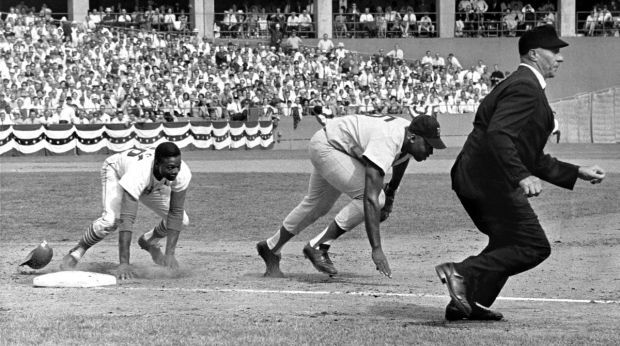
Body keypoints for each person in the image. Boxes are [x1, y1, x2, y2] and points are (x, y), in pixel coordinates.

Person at [435, 25, 606, 322]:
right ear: (534, 53)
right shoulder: (525, 85)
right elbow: (499, 135)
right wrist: (520, 176)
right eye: (555, 51)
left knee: (507, 242)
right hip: (488, 179)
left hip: (477, 176)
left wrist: (577, 171)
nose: (560, 58)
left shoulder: (524, 84)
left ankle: (468, 301)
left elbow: (531, 155)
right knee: (533, 246)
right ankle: (460, 272)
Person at [257, 113, 446, 278]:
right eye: (429, 145)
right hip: (329, 147)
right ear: (413, 137)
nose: (431, 151)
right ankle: (319, 245)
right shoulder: (389, 138)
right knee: (374, 198)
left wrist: (391, 197)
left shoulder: (407, 135)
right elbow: (370, 198)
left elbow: (402, 159)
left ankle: (271, 247)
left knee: (318, 205)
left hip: (333, 144)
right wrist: (376, 249)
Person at [60, 142, 192, 280]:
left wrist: (170, 254)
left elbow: (175, 212)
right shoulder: (139, 173)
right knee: (110, 221)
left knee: (182, 220)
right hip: (116, 171)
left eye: (178, 166)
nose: (175, 171)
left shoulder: (182, 173)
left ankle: (149, 241)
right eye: (171, 167)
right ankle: (77, 252)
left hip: (150, 183)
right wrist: (124, 263)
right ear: (158, 163)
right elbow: (127, 219)